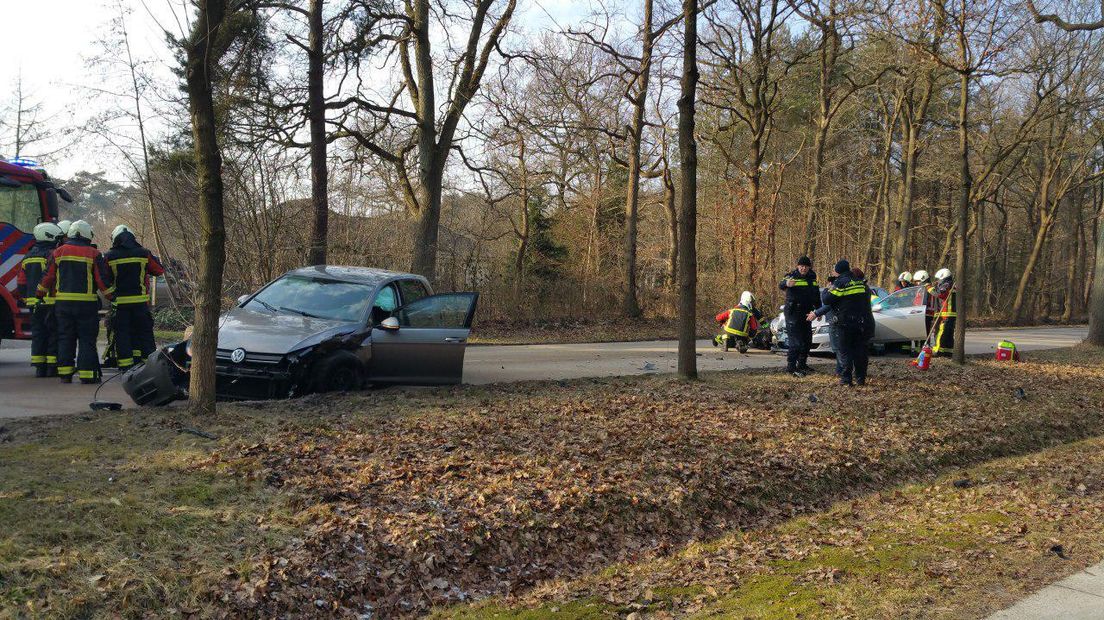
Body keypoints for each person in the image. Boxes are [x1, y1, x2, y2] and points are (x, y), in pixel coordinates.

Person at [36, 220, 113, 384]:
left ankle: (65, 374)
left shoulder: (58, 252)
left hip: (63, 305)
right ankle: (87, 376)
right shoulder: (94, 253)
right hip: (86, 305)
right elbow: (102, 281)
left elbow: (48, 277)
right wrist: (113, 297)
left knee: (65, 337)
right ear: (87, 235)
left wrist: (39, 294)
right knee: (86, 339)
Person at [105, 225, 165, 369]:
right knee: (145, 334)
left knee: (122, 335)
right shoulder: (143, 253)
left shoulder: (109, 256)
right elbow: (159, 270)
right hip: (140, 304)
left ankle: (126, 367)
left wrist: (110, 297)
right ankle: (149, 366)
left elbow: (104, 278)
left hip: (120, 305)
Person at [808, 260, 874, 386]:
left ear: (838, 271)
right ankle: (860, 379)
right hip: (861, 323)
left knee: (845, 352)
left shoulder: (840, 283)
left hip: (845, 323)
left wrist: (828, 289)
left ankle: (846, 379)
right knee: (860, 352)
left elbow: (827, 300)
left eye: (834, 270)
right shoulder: (860, 283)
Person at [16, 222, 64, 377]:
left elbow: (21, 282)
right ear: (49, 236)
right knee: (53, 333)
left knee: (38, 334)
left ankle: (39, 367)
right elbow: (54, 278)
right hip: (51, 301)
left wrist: (26, 299)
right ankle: (52, 367)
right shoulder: (53, 254)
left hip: (33, 304)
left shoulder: (27, 257)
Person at [779, 256, 819, 377]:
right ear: (797, 266)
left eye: (805, 266)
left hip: (807, 312)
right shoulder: (791, 275)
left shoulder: (812, 277)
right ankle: (791, 367)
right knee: (795, 342)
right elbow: (781, 285)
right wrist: (786, 283)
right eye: (801, 266)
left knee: (807, 341)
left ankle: (802, 364)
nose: (803, 268)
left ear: (809, 267)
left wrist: (819, 310)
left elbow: (816, 294)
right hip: (793, 312)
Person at [930, 267, 956, 357]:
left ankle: (937, 351)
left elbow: (940, 295)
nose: (938, 281)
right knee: (948, 335)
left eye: (939, 279)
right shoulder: (951, 284)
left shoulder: (946, 284)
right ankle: (948, 352)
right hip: (950, 314)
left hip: (946, 313)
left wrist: (930, 289)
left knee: (940, 333)